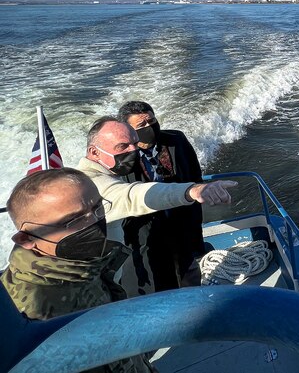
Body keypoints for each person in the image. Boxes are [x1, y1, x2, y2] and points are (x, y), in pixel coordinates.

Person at [1, 168, 153, 373]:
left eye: (98, 207)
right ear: (26, 239)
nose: (94, 223)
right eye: (75, 220)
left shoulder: (81, 266)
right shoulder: (30, 312)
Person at [76, 116, 235, 296]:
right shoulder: (93, 185)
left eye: (135, 144)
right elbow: (135, 195)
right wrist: (192, 191)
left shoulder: (111, 169)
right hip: (99, 284)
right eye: (123, 146)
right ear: (94, 152)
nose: (133, 151)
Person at [117, 101, 206, 293]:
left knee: (189, 273)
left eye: (152, 120)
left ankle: (193, 309)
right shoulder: (121, 156)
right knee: (157, 278)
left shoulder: (176, 140)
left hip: (180, 221)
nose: (149, 127)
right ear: (128, 130)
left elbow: (194, 174)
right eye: (141, 125)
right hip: (146, 228)